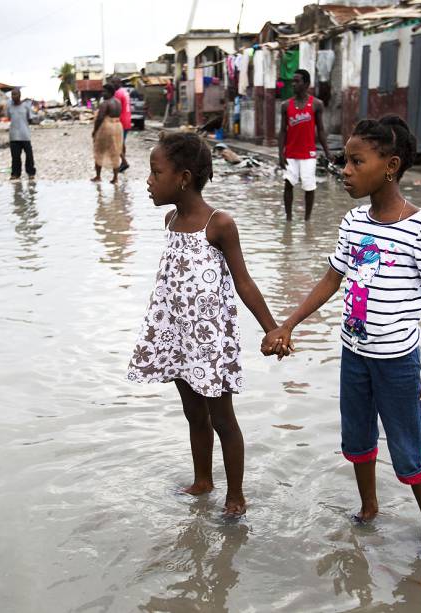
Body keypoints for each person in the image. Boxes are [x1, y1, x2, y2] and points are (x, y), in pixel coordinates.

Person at [262, 115, 421, 550]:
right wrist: (288, 323)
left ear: (391, 166)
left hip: (397, 362)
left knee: (407, 445)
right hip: (354, 355)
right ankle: (369, 507)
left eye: (356, 161)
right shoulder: (353, 222)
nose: (344, 170)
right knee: (357, 437)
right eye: (344, 161)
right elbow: (332, 278)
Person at [127, 132, 280, 516]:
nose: (149, 180)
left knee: (222, 419)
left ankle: (236, 497)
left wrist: (272, 328)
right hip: (178, 336)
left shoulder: (219, 224)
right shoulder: (170, 220)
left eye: (155, 172)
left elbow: (244, 282)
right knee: (194, 413)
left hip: (209, 342)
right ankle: (202, 481)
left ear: (183, 178)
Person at [278, 69, 332, 222]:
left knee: (309, 186)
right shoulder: (285, 105)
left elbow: (320, 130)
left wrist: (327, 151)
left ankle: (307, 220)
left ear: (306, 84)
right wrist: (280, 153)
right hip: (290, 153)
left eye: (297, 81)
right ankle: (289, 219)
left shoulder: (316, 104)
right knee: (288, 183)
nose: (293, 84)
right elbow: (282, 131)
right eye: (293, 81)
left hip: (308, 154)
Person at [91, 83, 123, 184]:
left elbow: (100, 118)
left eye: (104, 91)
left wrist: (95, 131)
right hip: (118, 126)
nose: (103, 93)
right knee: (115, 151)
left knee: (99, 150)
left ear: (110, 92)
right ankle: (115, 178)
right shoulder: (118, 102)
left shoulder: (105, 103)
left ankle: (98, 176)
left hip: (106, 127)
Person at [6, 88, 35, 180]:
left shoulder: (26, 106)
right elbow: (9, 117)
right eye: (12, 94)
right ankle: (15, 174)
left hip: (25, 135)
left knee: (29, 156)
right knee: (15, 157)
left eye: (15, 94)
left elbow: (30, 118)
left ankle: (30, 173)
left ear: (20, 95)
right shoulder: (9, 106)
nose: (13, 96)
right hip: (13, 135)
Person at [111, 77, 132, 172]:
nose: (112, 85)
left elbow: (116, 108)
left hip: (121, 121)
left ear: (119, 83)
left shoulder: (117, 93)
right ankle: (123, 163)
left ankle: (124, 162)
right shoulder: (125, 92)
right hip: (127, 119)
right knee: (122, 142)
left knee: (115, 143)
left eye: (113, 82)